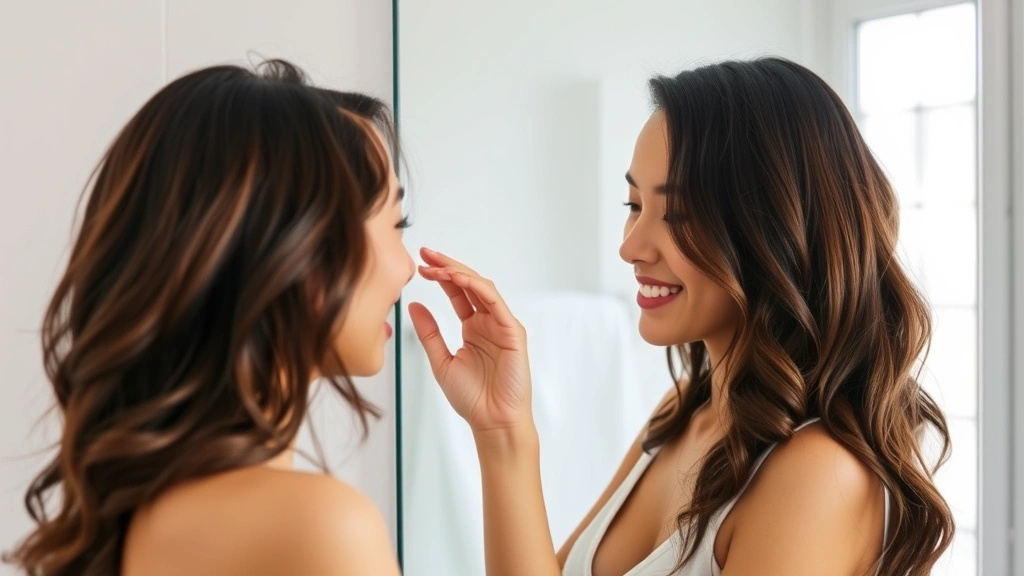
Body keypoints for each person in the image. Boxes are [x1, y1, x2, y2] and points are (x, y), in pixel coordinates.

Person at [410, 57, 954, 576]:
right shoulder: (683, 411)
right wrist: (502, 430)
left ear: (776, 231)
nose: (630, 247)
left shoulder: (820, 473)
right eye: (634, 206)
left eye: (677, 213)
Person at [6, 59, 412, 576]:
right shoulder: (318, 527)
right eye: (396, 224)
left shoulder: (143, 518)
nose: (409, 268)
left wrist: (502, 437)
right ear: (297, 248)